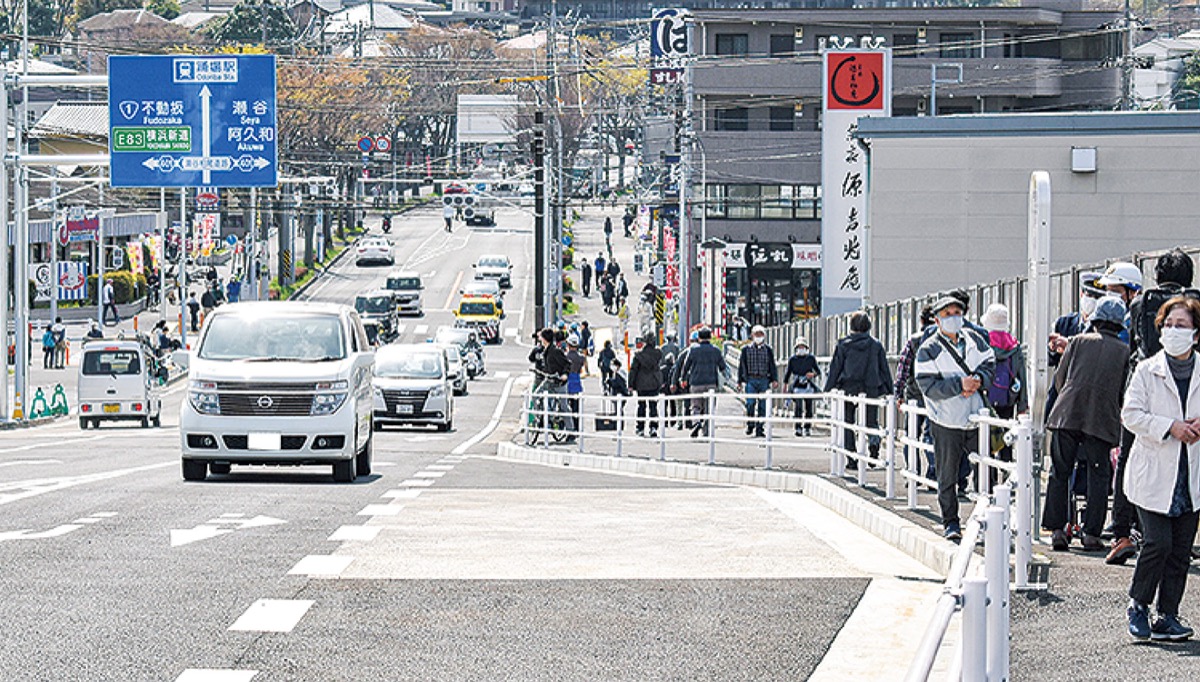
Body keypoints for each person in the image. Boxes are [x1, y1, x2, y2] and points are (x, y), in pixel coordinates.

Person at [1111, 254, 1200, 565]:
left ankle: (1121, 531)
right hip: (1189, 393)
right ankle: (1183, 532)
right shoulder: (1194, 307)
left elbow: (1134, 343)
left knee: (1128, 456)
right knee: (1189, 464)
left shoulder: (1140, 304)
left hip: (1145, 387)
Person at [1122, 296, 1200, 642]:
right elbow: (1130, 415)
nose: (1172, 331)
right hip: (1154, 473)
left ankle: (1167, 614)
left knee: (1181, 549)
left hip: (1190, 474)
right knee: (1157, 543)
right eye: (1168, 325)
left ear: (1196, 334)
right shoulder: (1146, 369)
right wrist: (1171, 426)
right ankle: (1138, 605)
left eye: (1181, 325)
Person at [1040, 297, 1129, 552]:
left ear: (1097, 319)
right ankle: (1092, 533)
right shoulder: (1124, 352)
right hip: (1101, 419)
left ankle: (1057, 530)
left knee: (1060, 471)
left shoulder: (1078, 341)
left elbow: (1060, 378)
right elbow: (1124, 391)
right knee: (1098, 475)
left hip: (1067, 413)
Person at [915, 295, 996, 542]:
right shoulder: (928, 348)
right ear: (937, 319)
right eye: (947, 314)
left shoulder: (976, 340)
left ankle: (988, 519)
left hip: (975, 415)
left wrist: (979, 380)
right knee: (946, 473)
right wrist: (959, 385)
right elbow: (926, 384)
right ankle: (951, 522)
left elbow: (990, 364)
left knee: (986, 468)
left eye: (956, 313)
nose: (953, 318)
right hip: (945, 418)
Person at [825, 312, 892, 465]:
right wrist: (890, 390)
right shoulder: (875, 345)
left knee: (847, 422)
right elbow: (884, 369)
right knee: (871, 420)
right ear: (868, 326)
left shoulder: (843, 344)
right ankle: (874, 446)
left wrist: (828, 388)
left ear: (851, 326)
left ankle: (852, 457)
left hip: (848, 387)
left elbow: (835, 368)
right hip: (870, 386)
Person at [980, 303, 1029, 465]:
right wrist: (1023, 405)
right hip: (1008, 396)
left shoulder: (983, 343)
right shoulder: (1014, 346)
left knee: (986, 439)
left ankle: (988, 478)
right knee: (1007, 435)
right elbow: (1021, 375)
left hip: (985, 397)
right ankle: (1007, 471)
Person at [895, 305, 937, 478]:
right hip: (936, 395)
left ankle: (913, 472)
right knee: (931, 435)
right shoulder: (941, 339)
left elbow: (903, 368)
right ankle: (934, 469)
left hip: (914, 394)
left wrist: (898, 393)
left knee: (911, 435)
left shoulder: (913, 341)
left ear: (921, 320)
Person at [679, 327, 728, 437]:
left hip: (696, 382)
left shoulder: (693, 350)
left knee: (695, 406)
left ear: (699, 338)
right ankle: (706, 431)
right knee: (709, 408)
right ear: (710, 337)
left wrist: (683, 379)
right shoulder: (716, 350)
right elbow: (722, 367)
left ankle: (696, 423)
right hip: (711, 383)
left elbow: (685, 366)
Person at [534, 327, 575, 441]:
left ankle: (571, 431)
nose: (539, 338)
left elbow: (567, 364)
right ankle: (540, 417)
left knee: (563, 406)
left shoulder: (555, 351)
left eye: (541, 336)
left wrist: (565, 374)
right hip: (549, 380)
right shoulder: (544, 350)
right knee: (535, 395)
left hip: (559, 382)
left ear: (545, 338)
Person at [738, 325, 779, 437]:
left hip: (764, 379)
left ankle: (760, 428)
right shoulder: (746, 350)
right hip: (751, 379)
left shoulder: (768, 350)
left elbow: (772, 365)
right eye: (756, 334)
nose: (758, 337)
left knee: (763, 405)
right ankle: (750, 423)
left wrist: (774, 379)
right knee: (750, 403)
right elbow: (741, 366)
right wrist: (740, 381)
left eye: (760, 334)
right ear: (752, 335)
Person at [629, 334, 664, 436]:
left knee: (641, 406)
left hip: (641, 384)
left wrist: (631, 384)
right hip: (654, 382)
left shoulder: (639, 356)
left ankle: (640, 428)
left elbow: (633, 371)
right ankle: (653, 427)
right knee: (653, 406)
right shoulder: (658, 354)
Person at [785, 338, 820, 437]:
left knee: (809, 407)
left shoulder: (811, 359)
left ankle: (807, 427)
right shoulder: (792, 360)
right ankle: (798, 427)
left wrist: (812, 374)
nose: (801, 349)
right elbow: (788, 374)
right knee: (798, 407)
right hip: (797, 385)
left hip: (807, 385)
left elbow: (818, 372)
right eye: (799, 347)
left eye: (803, 347)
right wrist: (785, 386)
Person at [565, 334, 587, 426]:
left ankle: (569, 426)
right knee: (576, 408)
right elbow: (586, 370)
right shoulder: (581, 358)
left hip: (567, 383)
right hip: (577, 383)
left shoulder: (565, 357)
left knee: (566, 407)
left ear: (568, 345)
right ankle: (577, 426)